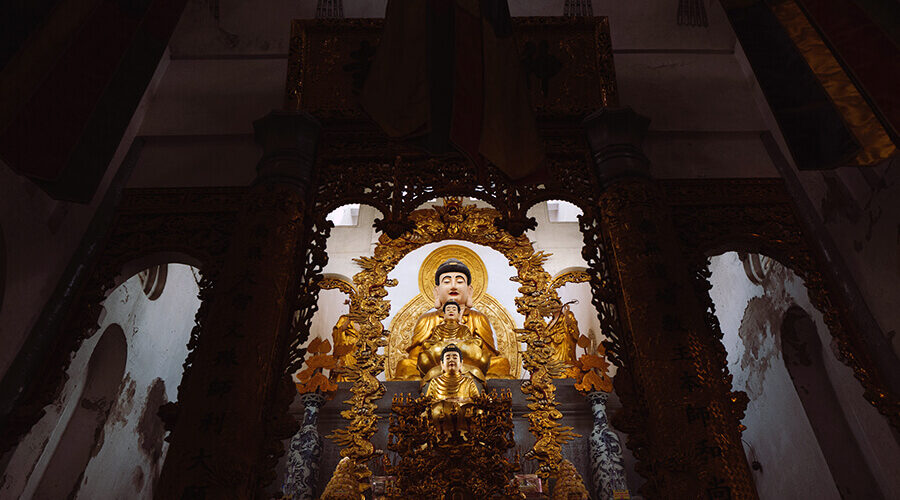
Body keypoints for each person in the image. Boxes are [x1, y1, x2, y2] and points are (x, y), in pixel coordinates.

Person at [394, 258, 511, 381]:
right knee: (405, 365)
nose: (453, 286)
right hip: (434, 364)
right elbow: (415, 358)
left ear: (469, 290)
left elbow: (487, 356)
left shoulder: (478, 318)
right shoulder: (427, 319)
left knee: (501, 363)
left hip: (472, 364)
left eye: (460, 281)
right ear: (437, 291)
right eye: (447, 282)